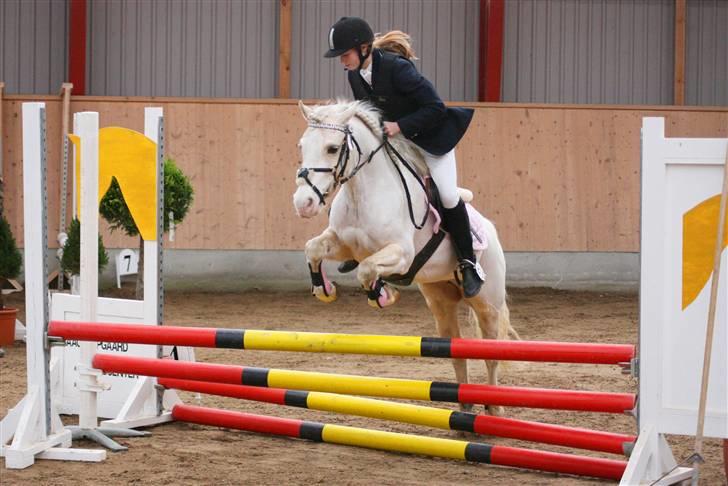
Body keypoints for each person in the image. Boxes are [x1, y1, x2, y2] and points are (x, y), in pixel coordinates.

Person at [323, 16, 484, 298]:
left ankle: (468, 262)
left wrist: (400, 126)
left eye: (344, 55)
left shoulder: (398, 70)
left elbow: (435, 107)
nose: (342, 62)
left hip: (433, 141)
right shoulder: (355, 74)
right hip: (399, 142)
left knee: (446, 195)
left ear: (363, 49)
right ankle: (362, 244)